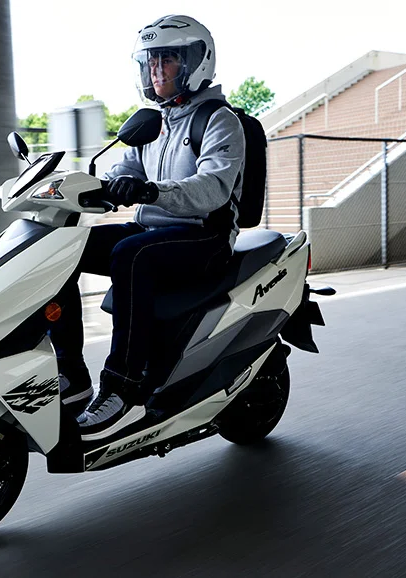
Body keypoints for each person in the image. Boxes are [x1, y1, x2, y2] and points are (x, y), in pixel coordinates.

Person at [50, 14, 245, 440]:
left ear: (196, 62)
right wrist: (91, 188)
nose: (156, 70)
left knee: (131, 254)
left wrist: (150, 192)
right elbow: (126, 169)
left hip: (205, 235)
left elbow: (212, 188)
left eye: (167, 60)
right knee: (60, 248)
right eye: (151, 61)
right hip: (157, 232)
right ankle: (70, 373)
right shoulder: (154, 122)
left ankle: (123, 385)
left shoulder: (218, 120)